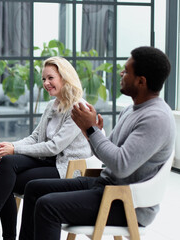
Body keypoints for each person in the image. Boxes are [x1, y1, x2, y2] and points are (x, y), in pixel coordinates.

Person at [18, 46, 174, 240]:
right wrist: (90, 131)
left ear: (141, 81)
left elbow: (120, 165)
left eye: (126, 71)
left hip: (126, 202)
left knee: (47, 205)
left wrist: (92, 130)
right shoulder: (132, 110)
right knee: (34, 188)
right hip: (106, 185)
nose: (121, 73)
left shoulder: (156, 118)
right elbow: (108, 156)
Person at [0, 56, 92, 240]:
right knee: (7, 165)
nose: (46, 83)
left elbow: (54, 147)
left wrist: (15, 149)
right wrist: (10, 147)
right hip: (48, 162)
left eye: (51, 78)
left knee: (5, 180)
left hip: (66, 168)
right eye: (43, 79)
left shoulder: (78, 108)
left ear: (65, 77)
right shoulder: (53, 105)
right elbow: (35, 137)